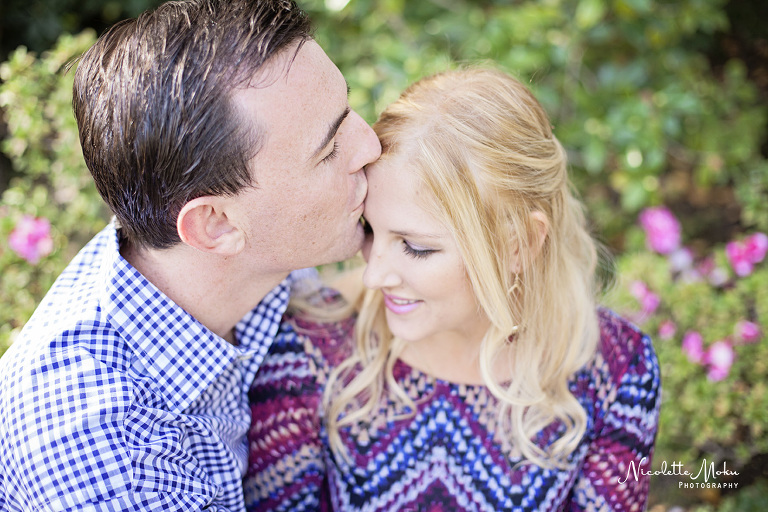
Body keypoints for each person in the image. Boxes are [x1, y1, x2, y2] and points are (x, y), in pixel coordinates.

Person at [0, 0, 381, 510]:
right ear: (215, 224)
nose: (371, 145)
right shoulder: (119, 467)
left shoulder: (233, 258)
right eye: (330, 149)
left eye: (347, 109)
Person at [244, 67, 661, 510]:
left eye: (416, 247)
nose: (373, 275)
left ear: (518, 245)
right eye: (370, 230)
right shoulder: (310, 349)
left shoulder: (616, 370)